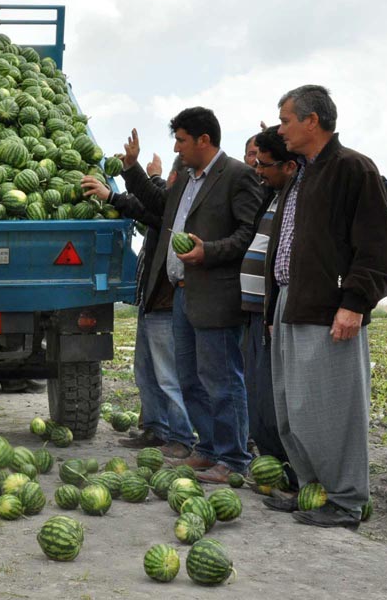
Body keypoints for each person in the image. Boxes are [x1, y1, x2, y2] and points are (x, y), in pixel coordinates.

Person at [266, 85, 387, 527]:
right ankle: (313, 491)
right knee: (293, 408)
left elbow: (379, 246)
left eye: (285, 120)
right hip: (292, 301)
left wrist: (355, 303)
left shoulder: (351, 168)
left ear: (312, 120)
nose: (279, 128)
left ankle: (345, 501)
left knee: (331, 411)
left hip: (328, 307)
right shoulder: (302, 172)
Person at [122, 109, 262, 484]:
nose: (176, 147)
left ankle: (233, 458)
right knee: (190, 379)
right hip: (182, 294)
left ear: (204, 140)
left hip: (215, 294)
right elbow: (157, 206)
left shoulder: (237, 176)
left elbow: (250, 233)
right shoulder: (186, 177)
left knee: (221, 379)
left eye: (181, 140)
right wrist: (133, 169)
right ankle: (208, 449)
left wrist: (209, 251)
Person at [81, 156, 189, 450]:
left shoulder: (178, 211)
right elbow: (150, 206)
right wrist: (151, 177)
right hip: (149, 302)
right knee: (146, 373)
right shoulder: (168, 206)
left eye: (168, 179)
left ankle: (181, 438)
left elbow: (150, 208)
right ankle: (156, 430)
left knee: (168, 375)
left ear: (176, 180)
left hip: (164, 304)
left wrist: (113, 195)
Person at [239, 127, 301, 495]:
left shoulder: (297, 194)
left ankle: (290, 474)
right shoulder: (273, 195)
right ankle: (273, 470)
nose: (257, 170)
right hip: (256, 311)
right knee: (257, 397)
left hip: (275, 312)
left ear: (290, 165)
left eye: (264, 164)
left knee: (271, 401)